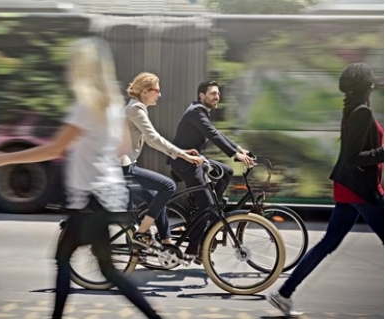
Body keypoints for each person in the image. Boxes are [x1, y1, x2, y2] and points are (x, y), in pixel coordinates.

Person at [0, 38, 163, 319]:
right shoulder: (114, 106)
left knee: (64, 259)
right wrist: (94, 150)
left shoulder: (86, 106)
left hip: (91, 199)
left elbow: (54, 149)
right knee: (106, 270)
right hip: (108, 198)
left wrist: (2, 159)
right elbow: (123, 148)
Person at [267, 62, 384, 317]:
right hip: (361, 189)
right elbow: (355, 157)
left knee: (328, 242)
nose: (375, 81)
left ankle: (284, 294)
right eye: (372, 78)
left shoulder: (354, 110)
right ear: (367, 84)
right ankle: (284, 293)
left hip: (348, 187)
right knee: (328, 242)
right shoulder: (361, 112)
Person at [168, 80, 254, 259]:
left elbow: (217, 133)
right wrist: (234, 155)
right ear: (202, 96)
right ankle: (193, 250)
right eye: (213, 93)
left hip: (196, 160)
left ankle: (209, 210)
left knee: (226, 172)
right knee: (206, 205)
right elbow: (213, 135)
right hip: (185, 163)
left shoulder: (201, 112)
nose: (217, 97)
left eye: (218, 94)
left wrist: (239, 149)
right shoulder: (196, 112)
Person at [122, 72, 202, 249]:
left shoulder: (134, 107)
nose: (159, 94)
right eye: (157, 90)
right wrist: (183, 155)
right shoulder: (136, 109)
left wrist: (181, 152)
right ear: (144, 91)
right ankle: (141, 233)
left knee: (157, 201)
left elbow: (151, 139)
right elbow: (153, 139)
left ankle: (167, 245)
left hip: (124, 166)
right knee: (168, 186)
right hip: (122, 168)